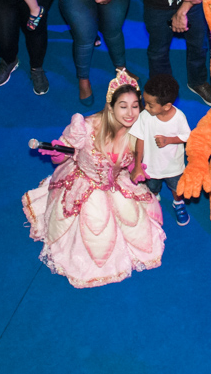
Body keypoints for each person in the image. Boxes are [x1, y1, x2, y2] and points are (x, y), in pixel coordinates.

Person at [22, 74, 166, 287]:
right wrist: (56, 154)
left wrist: (137, 168)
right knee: (96, 232)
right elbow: (65, 151)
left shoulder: (139, 132)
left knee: (135, 225)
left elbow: (126, 163)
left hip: (116, 183)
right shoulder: (86, 127)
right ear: (111, 106)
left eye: (135, 106)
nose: (130, 113)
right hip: (84, 182)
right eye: (123, 106)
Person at [130, 73, 192, 226]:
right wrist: (138, 165)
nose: (146, 107)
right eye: (145, 102)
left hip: (173, 166)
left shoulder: (179, 118)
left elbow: (186, 136)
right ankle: (153, 200)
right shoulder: (145, 116)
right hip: (151, 166)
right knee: (152, 188)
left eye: (150, 105)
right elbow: (140, 139)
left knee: (177, 189)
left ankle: (178, 204)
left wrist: (168, 140)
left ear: (167, 106)